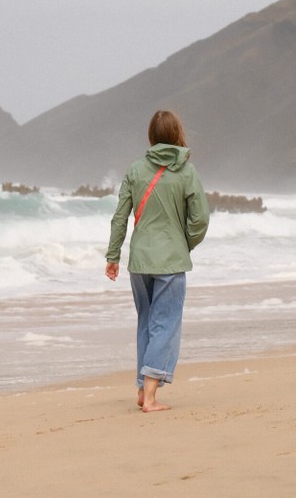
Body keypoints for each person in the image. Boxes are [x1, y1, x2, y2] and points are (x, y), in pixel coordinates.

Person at [106, 110, 210, 413]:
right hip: (170, 261)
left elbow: (120, 218)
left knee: (147, 322)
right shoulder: (187, 172)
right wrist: (184, 244)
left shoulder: (135, 170)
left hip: (139, 261)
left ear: (151, 136)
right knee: (165, 324)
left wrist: (113, 255)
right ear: (178, 134)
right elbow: (200, 219)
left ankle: (142, 388)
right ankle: (150, 397)